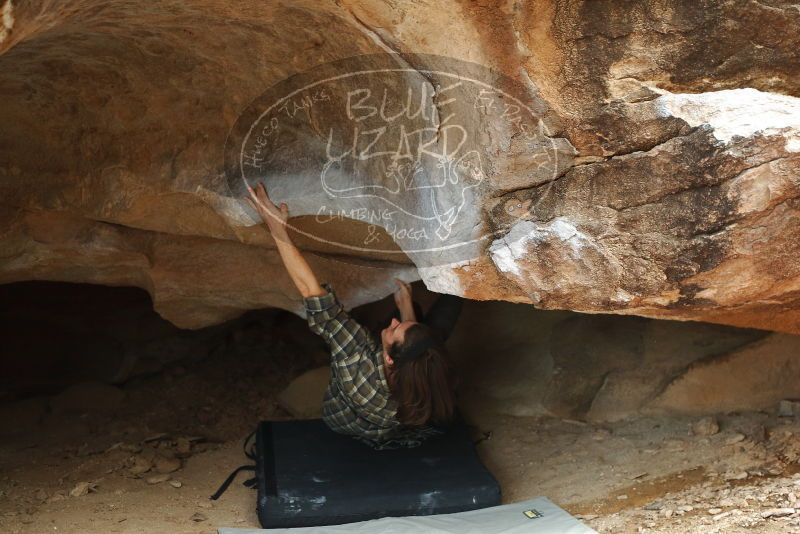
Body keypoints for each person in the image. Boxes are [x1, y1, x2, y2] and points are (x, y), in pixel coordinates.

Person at [245, 182, 462, 449]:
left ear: (389, 359)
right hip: (391, 423)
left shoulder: (354, 356)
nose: (393, 322)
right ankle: (461, 285)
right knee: (434, 335)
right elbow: (417, 352)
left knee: (432, 331)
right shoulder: (429, 384)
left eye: (395, 328)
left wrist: (276, 227)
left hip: (341, 419)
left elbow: (310, 291)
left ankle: (448, 300)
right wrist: (407, 308)